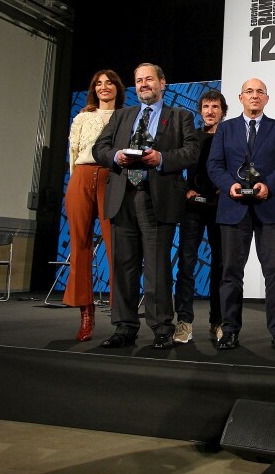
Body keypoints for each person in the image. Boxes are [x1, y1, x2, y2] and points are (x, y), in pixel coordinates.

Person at [92, 63, 200, 349]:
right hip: (122, 196)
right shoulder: (121, 115)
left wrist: (161, 158)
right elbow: (99, 148)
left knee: (156, 269)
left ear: (162, 83)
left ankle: (162, 327)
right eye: (138, 80)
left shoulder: (181, 116)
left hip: (157, 198)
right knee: (124, 267)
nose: (143, 85)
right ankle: (124, 327)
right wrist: (116, 156)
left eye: (149, 79)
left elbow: (191, 151)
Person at [207, 78, 275, 351]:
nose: (254, 96)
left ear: (267, 99)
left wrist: (269, 185)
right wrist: (227, 185)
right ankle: (230, 330)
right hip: (233, 210)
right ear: (241, 98)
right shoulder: (226, 129)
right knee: (230, 272)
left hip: (270, 208)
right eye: (249, 91)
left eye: (260, 92)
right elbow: (214, 165)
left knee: (274, 272)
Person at [64, 69, 125, 341]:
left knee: (116, 246)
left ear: (118, 88)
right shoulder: (82, 117)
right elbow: (73, 153)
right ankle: (85, 314)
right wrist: (76, 180)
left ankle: (120, 313)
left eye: (109, 82)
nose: (104, 87)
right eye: (98, 83)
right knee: (80, 246)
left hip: (111, 179)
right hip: (82, 176)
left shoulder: (127, 117)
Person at [174, 90, 228, 344]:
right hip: (192, 208)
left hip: (220, 207)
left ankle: (217, 322)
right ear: (200, 110)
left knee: (220, 266)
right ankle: (184, 322)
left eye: (215, 107)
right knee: (186, 264)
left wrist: (224, 187)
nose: (210, 111)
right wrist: (187, 191)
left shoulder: (230, 136)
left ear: (223, 111)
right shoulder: (191, 137)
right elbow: (177, 168)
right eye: (206, 106)